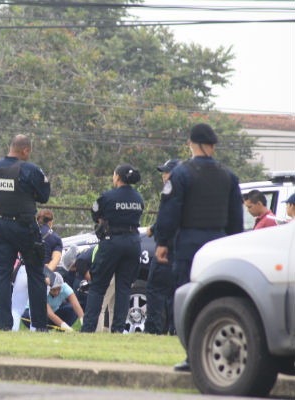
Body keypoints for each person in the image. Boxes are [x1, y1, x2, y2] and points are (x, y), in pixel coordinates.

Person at [155, 123, 243, 371]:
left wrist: (163, 242)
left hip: (189, 245)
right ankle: (214, 350)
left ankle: (192, 356)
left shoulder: (181, 174)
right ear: (213, 146)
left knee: (186, 297)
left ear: (190, 144)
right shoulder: (229, 175)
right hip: (219, 245)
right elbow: (236, 220)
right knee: (216, 296)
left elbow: (170, 211)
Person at [0, 134, 51, 331]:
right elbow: (44, 196)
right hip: (24, 227)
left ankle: (5, 326)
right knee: (35, 274)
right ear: (25, 150)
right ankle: (39, 326)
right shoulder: (29, 169)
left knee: (3, 275)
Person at [81, 164, 144, 334]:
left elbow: (96, 214)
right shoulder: (138, 198)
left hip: (112, 242)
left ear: (117, 177)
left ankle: (88, 329)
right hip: (133, 243)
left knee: (98, 286)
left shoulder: (108, 196)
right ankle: (117, 330)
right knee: (123, 289)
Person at [144, 159, 180, 335]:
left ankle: (153, 329)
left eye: (166, 172)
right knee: (175, 291)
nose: (163, 176)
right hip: (181, 249)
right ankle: (175, 329)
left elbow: (168, 218)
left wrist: (154, 230)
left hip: (167, 248)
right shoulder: (189, 190)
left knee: (155, 288)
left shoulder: (172, 190)